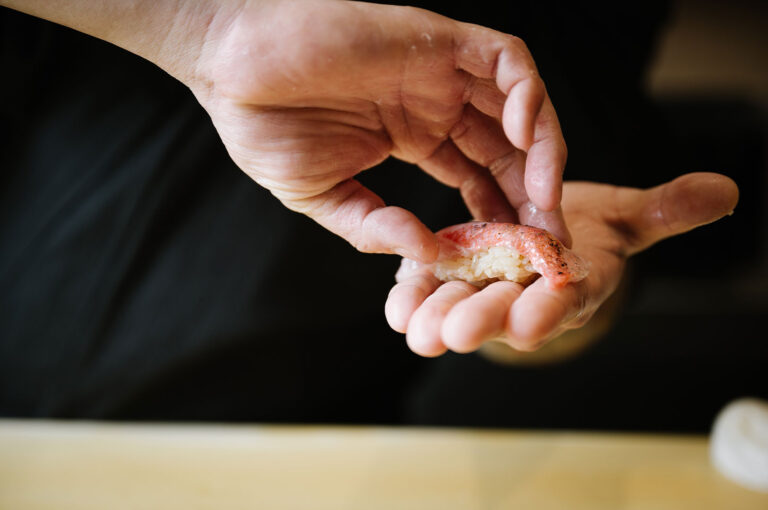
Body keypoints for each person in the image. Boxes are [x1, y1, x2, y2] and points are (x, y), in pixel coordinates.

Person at [0, 0, 739, 421]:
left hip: (320, 426)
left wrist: (563, 312)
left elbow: (574, 196)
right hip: (29, 349)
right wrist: (210, 26)